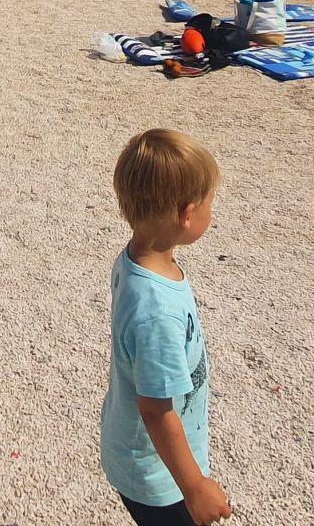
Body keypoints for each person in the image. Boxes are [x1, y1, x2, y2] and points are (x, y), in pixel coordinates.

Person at [102, 129, 229, 526]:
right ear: (187, 214)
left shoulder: (138, 258)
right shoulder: (157, 311)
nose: (211, 212)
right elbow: (156, 411)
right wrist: (195, 486)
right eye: (210, 203)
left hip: (143, 456)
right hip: (159, 477)